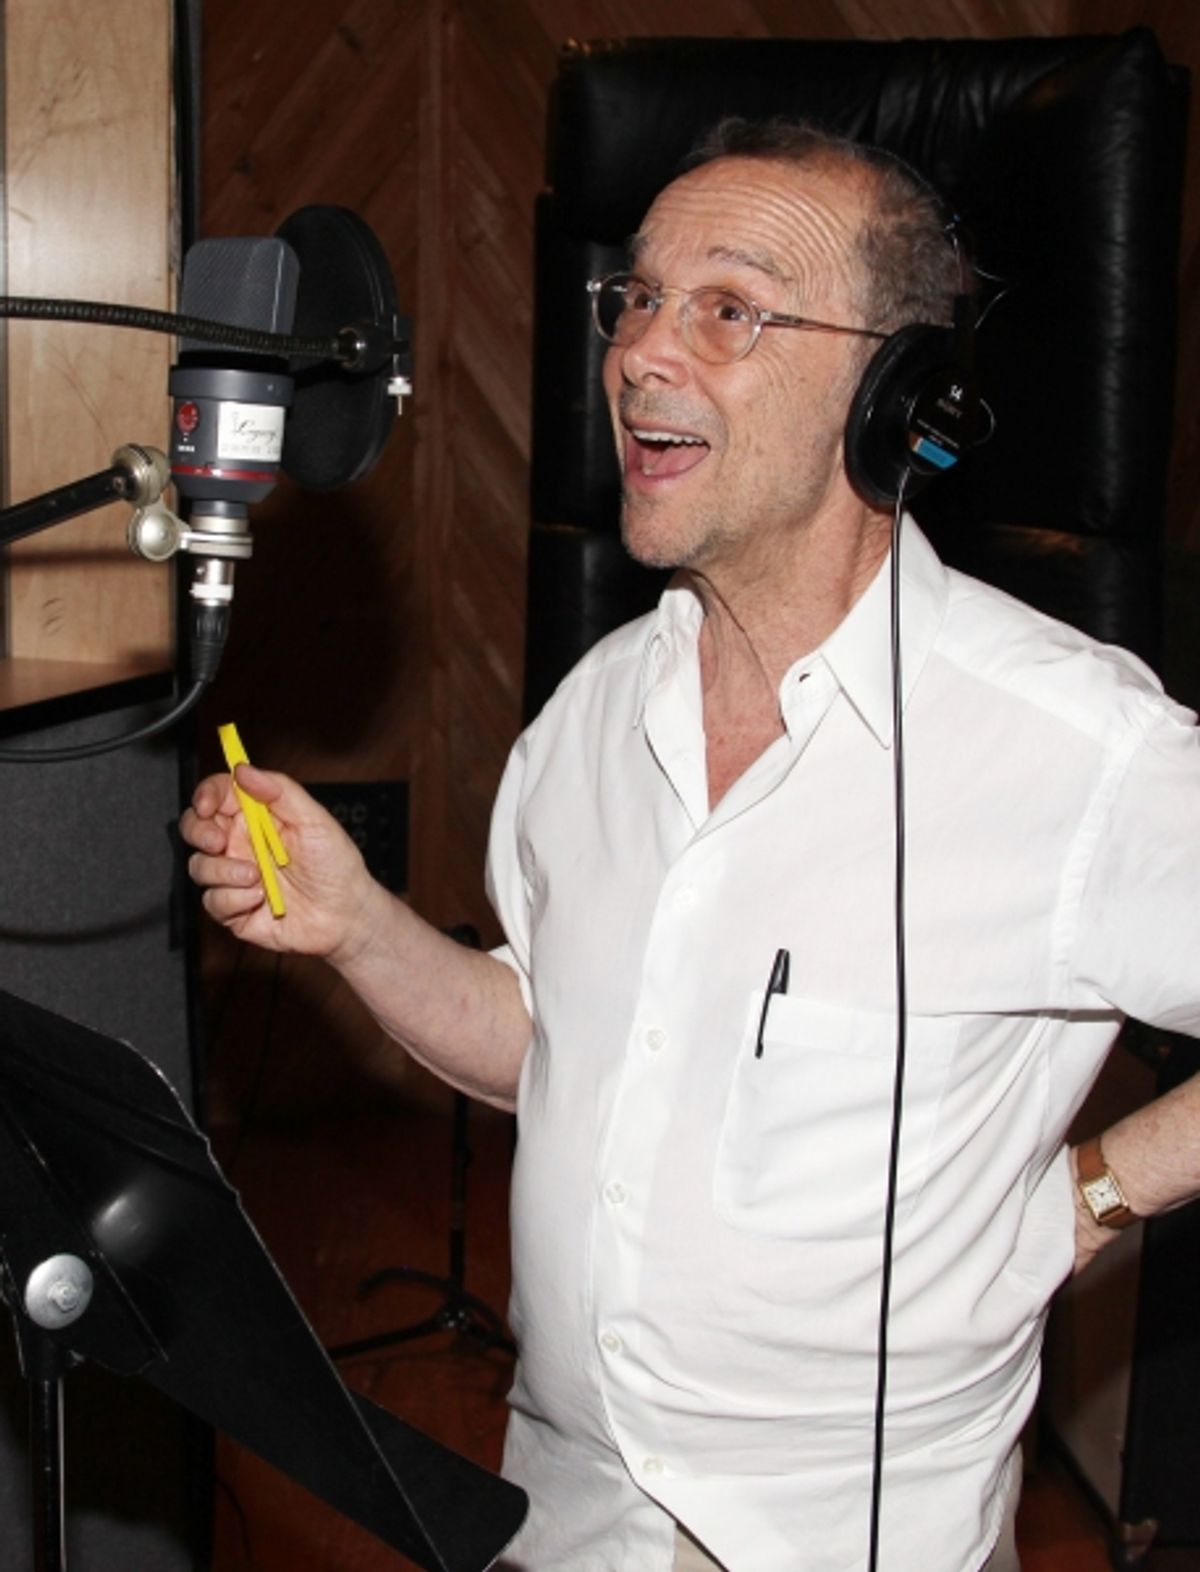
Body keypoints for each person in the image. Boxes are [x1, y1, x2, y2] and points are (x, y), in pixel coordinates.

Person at [182, 119, 1200, 1572]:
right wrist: (358, 926)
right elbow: (558, 1048)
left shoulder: (1070, 750)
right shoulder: (591, 719)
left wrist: (1099, 1190)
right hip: (562, 1521)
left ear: (892, 388)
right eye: (638, 299)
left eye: (726, 308)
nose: (643, 353)